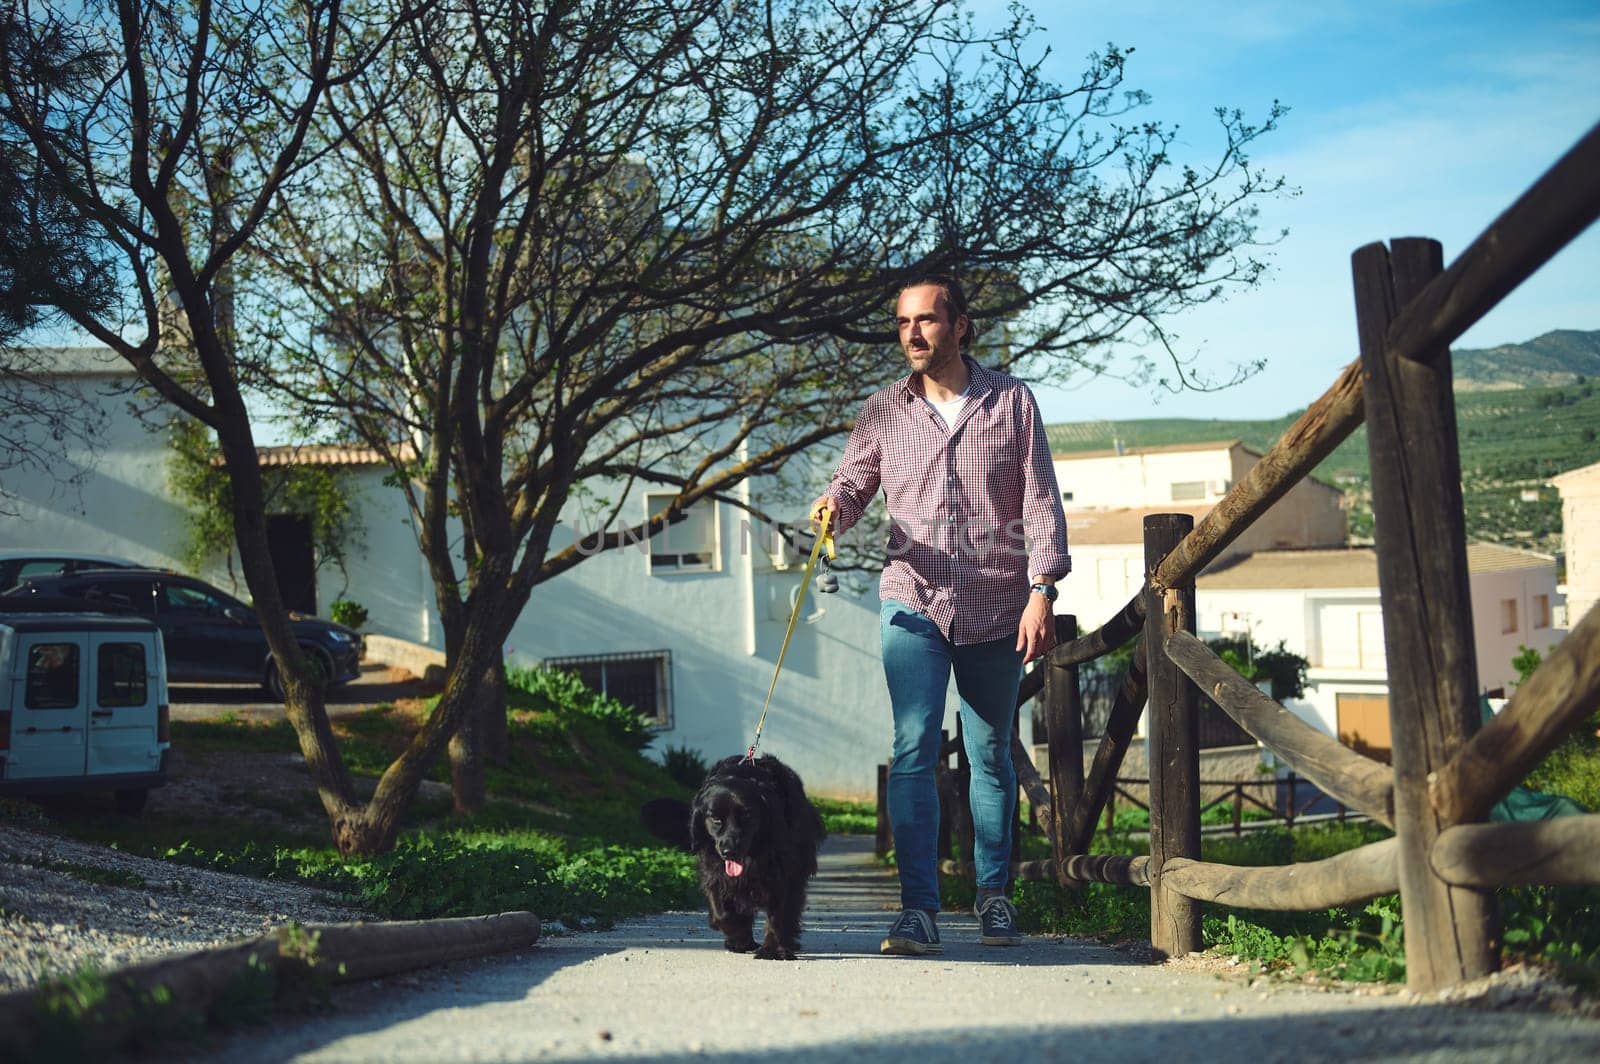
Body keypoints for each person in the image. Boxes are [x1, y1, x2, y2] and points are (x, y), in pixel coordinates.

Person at [811, 274, 1070, 955]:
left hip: (996, 604)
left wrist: (1043, 588)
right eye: (902, 323)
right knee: (913, 747)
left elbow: (1041, 498)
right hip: (913, 600)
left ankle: (993, 897)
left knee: (989, 754)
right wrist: (833, 507)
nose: (913, 334)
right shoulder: (883, 410)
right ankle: (918, 909)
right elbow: (852, 484)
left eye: (926, 320)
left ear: (961, 326)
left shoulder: (1011, 402)